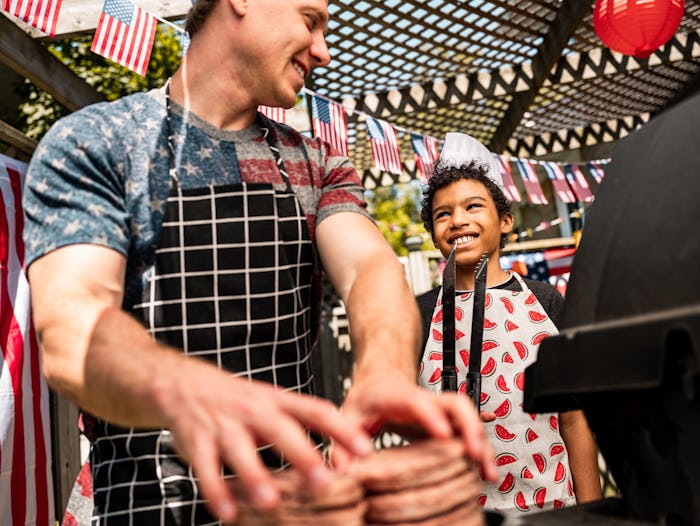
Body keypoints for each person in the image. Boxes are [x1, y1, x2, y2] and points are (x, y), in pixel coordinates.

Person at [23, 1, 496, 524]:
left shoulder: (317, 163)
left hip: (300, 505)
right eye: (310, 20)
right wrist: (192, 389)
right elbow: (75, 329)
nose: (324, 51)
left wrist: (383, 372)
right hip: (143, 507)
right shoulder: (97, 144)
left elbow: (369, 269)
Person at [416, 133, 602, 514]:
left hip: (552, 507)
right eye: (443, 213)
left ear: (505, 220)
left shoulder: (545, 301)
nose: (458, 220)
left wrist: (591, 514)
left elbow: (573, 418)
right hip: (456, 514)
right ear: (434, 235)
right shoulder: (417, 314)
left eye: (473, 206)